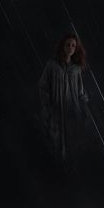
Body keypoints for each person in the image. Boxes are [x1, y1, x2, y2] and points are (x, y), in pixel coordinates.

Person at [37, 33, 92, 161]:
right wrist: (47, 105)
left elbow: (80, 91)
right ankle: (56, 170)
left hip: (72, 111)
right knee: (54, 142)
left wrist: (84, 107)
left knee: (72, 142)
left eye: (73, 45)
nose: (71, 48)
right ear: (62, 46)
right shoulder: (52, 65)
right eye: (68, 45)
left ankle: (71, 170)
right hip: (55, 110)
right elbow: (43, 85)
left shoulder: (76, 69)